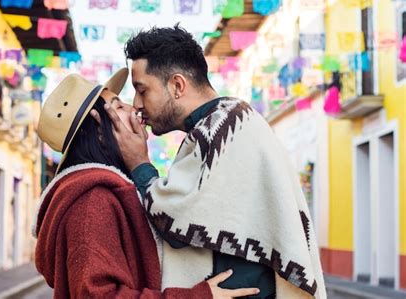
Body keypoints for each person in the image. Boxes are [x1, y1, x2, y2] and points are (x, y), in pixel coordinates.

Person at [102, 26, 327, 298]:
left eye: (142, 90)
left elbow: (174, 220)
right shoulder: (222, 124)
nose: (136, 104)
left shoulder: (226, 127)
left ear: (177, 85)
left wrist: (139, 163)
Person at [32, 69, 261, 298]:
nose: (134, 108)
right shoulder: (92, 201)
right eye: (119, 106)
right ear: (100, 129)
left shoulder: (103, 193)